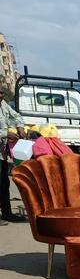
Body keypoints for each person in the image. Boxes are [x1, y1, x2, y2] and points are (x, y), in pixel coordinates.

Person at [0, 87, 27, 223]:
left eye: (2, 93)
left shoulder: (3, 105)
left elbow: (16, 116)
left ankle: (7, 213)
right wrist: (6, 133)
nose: (1, 95)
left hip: (2, 152)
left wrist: (20, 127)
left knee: (4, 182)